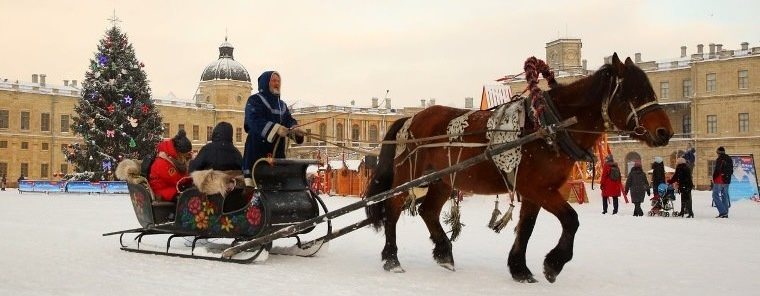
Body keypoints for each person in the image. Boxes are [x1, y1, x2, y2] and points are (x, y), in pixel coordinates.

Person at [242, 71, 305, 187]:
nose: (277, 83)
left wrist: (295, 129)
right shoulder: (254, 100)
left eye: (278, 81)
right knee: (255, 188)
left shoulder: (282, 105)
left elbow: (288, 120)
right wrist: (276, 128)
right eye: (273, 81)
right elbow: (253, 120)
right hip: (257, 151)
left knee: (278, 185)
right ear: (266, 83)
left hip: (277, 154)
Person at [148, 130, 193, 202]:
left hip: (170, 187)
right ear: (178, 152)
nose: (185, 157)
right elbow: (176, 180)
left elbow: (182, 175)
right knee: (186, 198)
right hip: (161, 190)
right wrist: (190, 179)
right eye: (184, 155)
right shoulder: (162, 161)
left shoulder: (172, 158)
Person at [712, 146, 733, 218]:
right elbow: (731, 170)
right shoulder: (729, 158)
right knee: (725, 196)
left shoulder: (720, 159)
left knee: (715, 195)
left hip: (719, 180)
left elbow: (717, 170)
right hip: (727, 180)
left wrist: (714, 177)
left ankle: (722, 211)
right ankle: (725, 212)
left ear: (719, 153)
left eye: (717, 152)